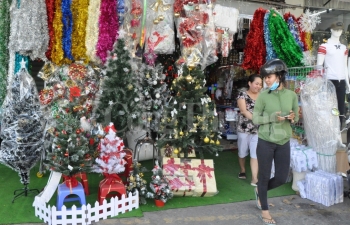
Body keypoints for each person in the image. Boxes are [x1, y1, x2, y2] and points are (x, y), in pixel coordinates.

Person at [252, 59, 299, 225]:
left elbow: (297, 116)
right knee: (264, 176)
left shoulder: (292, 95)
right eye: (265, 77)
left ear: (280, 75)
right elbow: (256, 118)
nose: (266, 80)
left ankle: (260, 190)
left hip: (284, 141)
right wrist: (272, 118)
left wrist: (293, 118)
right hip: (265, 141)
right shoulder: (263, 96)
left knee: (280, 177)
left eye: (269, 76)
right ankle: (265, 211)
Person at [317, 22, 349, 127]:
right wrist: (321, 81)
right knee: (330, 108)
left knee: (340, 109)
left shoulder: (344, 48)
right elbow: (319, 66)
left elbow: (345, 66)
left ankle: (338, 135)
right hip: (329, 80)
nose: (338, 32)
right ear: (331, 30)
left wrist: (348, 83)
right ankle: (329, 135)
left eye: (340, 30)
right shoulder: (324, 46)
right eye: (336, 30)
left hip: (341, 81)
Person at [236, 74, 262, 186]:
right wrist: (257, 119)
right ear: (249, 83)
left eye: (260, 84)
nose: (258, 86)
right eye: (256, 83)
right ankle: (242, 170)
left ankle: (254, 178)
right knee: (242, 151)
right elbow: (243, 111)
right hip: (244, 128)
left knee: (255, 153)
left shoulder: (263, 96)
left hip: (257, 130)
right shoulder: (242, 95)